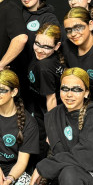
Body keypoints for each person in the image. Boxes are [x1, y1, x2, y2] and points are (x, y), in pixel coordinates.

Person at [23, 23, 62, 158]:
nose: (39, 50)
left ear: (57, 46)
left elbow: (51, 99)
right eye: (37, 43)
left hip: (48, 115)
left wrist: (52, 130)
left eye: (46, 47)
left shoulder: (45, 66)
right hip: (38, 109)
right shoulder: (43, 57)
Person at [15, 0, 59, 75]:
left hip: (38, 73)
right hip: (16, 72)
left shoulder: (49, 18)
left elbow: (50, 51)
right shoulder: (16, 15)